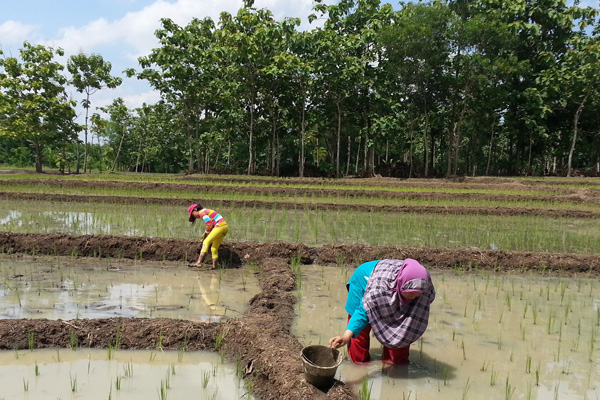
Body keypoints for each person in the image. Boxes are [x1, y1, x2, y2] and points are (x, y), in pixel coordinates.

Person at [329, 259, 435, 366]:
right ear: (400, 285)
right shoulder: (380, 289)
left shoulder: (424, 285)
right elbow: (362, 312)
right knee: (361, 334)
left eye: (417, 295)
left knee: (400, 339)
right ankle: (360, 364)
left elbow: (408, 322)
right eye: (411, 294)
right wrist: (346, 337)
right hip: (363, 281)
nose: (414, 298)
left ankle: (396, 365)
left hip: (391, 281)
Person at [188, 203, 229, 270]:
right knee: (214, 248)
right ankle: (214, 267)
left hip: (219, 226)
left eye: (193, 215)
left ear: (195, 210)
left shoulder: (201, 212)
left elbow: (209, 223)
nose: (195, 217)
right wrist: (206, 233)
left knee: (206, 242)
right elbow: (211, 225)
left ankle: (199, 262)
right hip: (224, 227)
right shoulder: (205, 211)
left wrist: (206, 233)